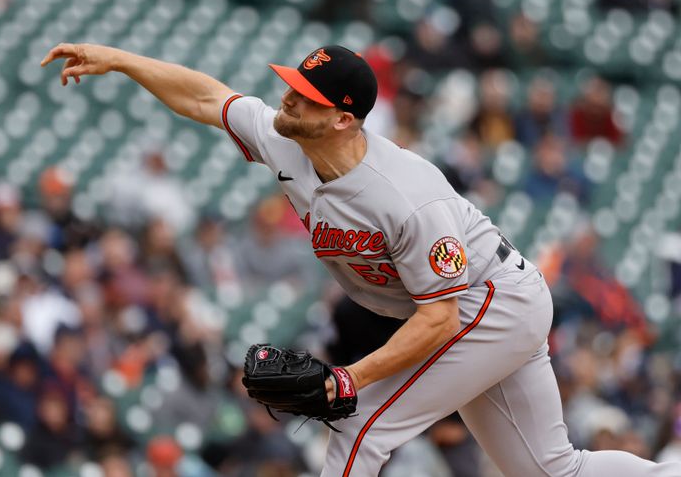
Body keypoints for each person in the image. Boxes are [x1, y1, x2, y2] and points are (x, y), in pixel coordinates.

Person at [41, 43, 681, 476]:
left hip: (489, 302)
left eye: (304, 96)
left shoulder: (405, 196)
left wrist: (349, 380)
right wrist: (119, 60)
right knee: (549, 470)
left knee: (357, 426)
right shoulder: (288, 140)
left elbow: (440, 318)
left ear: (344, 118)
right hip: (475, 303)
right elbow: (208, 99)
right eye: (291, 87)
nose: (287, 101)